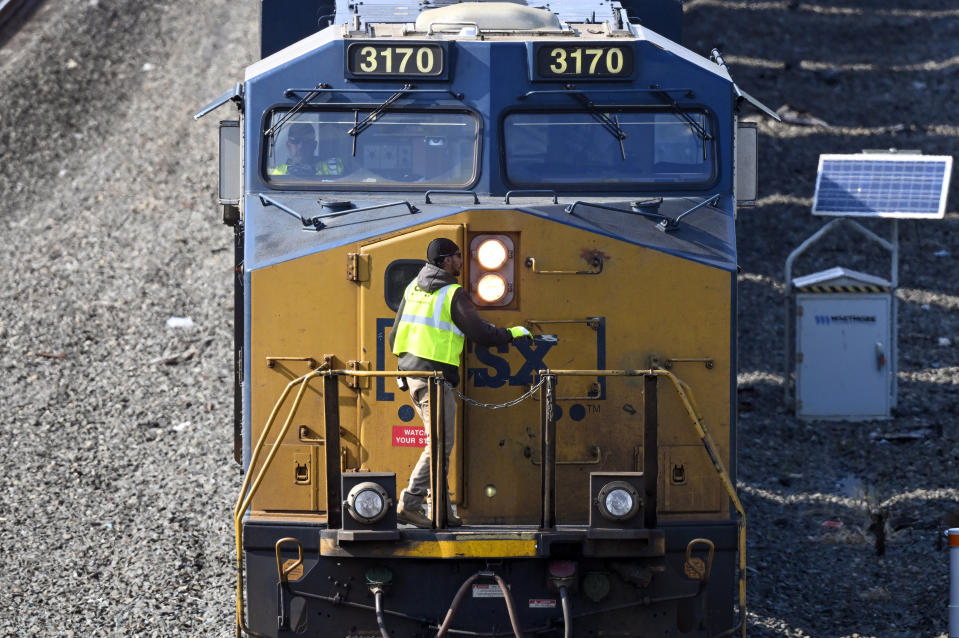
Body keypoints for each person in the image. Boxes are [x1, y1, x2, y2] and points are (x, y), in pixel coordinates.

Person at [389, 238, 532, 528]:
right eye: (456, 256)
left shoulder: (413, 288)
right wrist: (514, 333)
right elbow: (481, 334)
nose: (460, 261)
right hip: (435, 380)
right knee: (439, 445)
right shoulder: (452, 293)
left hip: (413, 377)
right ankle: (410, 503)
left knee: (438, 443)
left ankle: (441, 509)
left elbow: (394, 337)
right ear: (444, 261)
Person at [269, 123, 344, 177]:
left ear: (314, 145)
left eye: (306, 142)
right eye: (295, 141)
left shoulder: (336, 167)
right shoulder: (273, 174)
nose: (300, 146)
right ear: (288, 145)